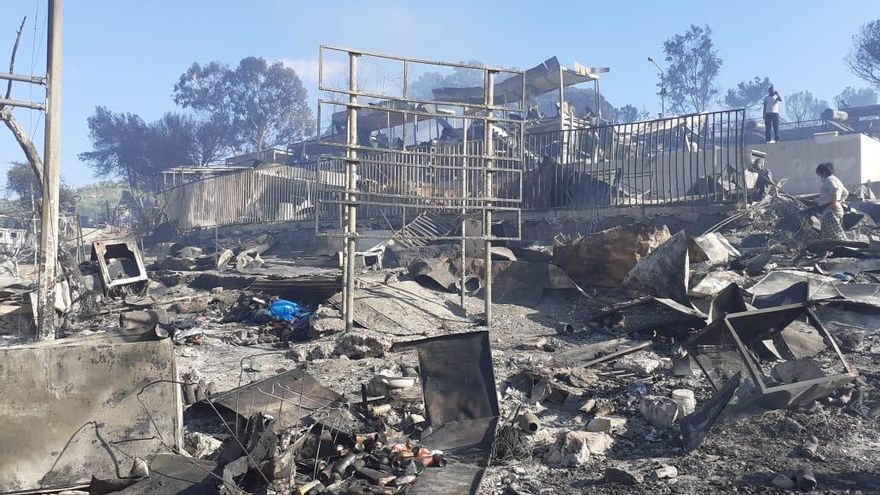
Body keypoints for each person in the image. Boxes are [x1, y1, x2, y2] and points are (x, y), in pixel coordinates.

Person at [815, 162, 849, 240]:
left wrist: (833, 204)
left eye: (819, 174)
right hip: (831, 210)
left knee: (836, 235)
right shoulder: (836, 180)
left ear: (823, 172)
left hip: (830, 211)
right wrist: (839, 202)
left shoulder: (830, 180)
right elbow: (845, 193)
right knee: (828, 235)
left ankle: (845, 249)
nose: (820, 177)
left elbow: (834, 190)